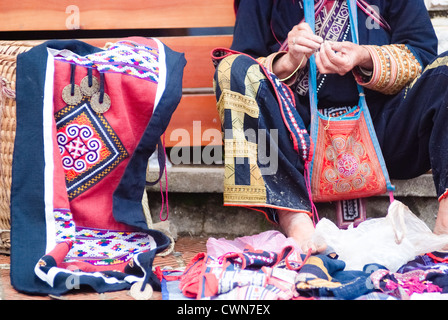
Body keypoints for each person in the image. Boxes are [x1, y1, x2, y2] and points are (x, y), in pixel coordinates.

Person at [213, 0, 448, 254]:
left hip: (385, 129)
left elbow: (423, 55)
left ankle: (445, 228)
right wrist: (288, 62)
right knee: (231, 69)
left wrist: (365, 56)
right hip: (294, 137)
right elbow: (242, 63)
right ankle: (295, 219)